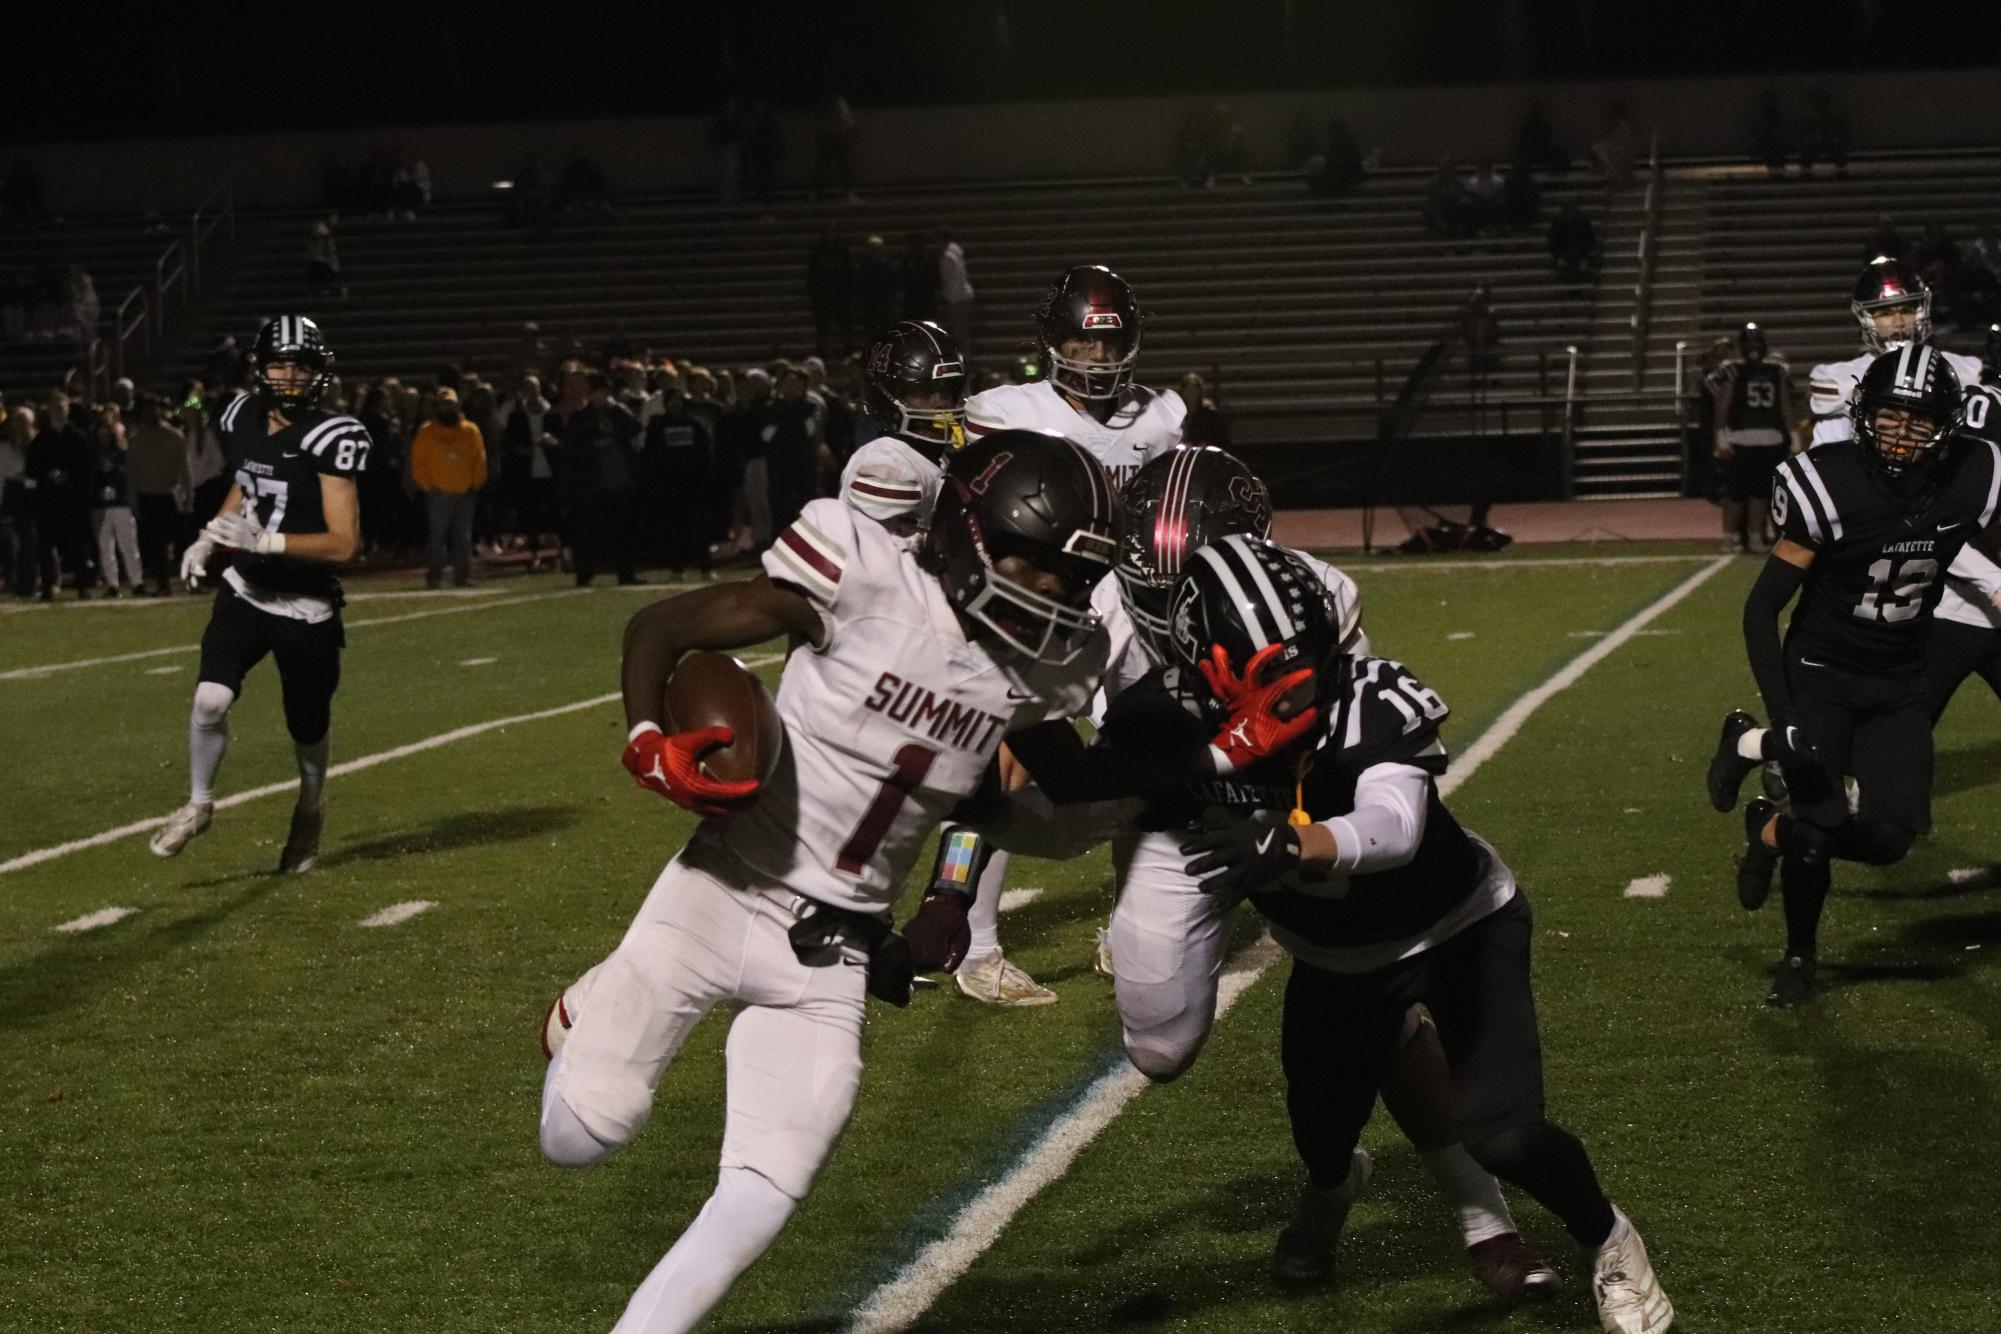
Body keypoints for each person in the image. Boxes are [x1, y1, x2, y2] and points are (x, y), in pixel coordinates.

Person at [536, 433, 1124, 1334]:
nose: (1052, 594)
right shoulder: (865, 578)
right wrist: (647, 739)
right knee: (582, 1134)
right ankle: (583, 1009)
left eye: (1071, 579)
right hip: (720, 891)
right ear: (966, 534)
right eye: (1036, 565)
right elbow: (661, 629)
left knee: (766, 1188)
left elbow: (1013, 799)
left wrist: (947, 898)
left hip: (832, 950)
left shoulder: (1038, 668)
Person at [1030, 535, 1672, 1330]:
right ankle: (1332, 1191)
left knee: (1503, 1133)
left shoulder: (1370, 694)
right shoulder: (1161, 718)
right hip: (1334, 960)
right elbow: (1076, 796)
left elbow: (1395, 826)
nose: (1296, 682)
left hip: (1457, 927)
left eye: (1303, 652)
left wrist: (1289, 843)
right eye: (1265, 665)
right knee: (1321, 1135)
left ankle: (1610, 1240)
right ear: (1205, 663)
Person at [993, 447, 1559, 1302]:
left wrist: (1299, 835)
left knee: (1373, 965)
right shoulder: (1093, 605)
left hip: (1268, 796)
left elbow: (1333, 726)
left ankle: (1483, 1218)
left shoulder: (1310, 592)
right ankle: (1352, 1148)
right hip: (1157, 807)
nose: (1170, 611)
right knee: (1159, 1048)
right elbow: (1006, 766)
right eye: (1152, 589)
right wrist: (955, 881)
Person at [1707, 345, 2001, 1006]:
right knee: (1820, 825)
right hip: (1823, 670)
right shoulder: (1826, 480)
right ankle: (1800, 956)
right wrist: (1782, 714)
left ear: (1947, 424)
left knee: (1888, 839)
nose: (1899, 434)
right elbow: (1761, 609)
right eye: (1887, 417)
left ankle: (1765, 830)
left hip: (1901, 677)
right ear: (1862, 414)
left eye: (1917, 421)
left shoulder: (1976, 470)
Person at [942, 264, 1188, 1001]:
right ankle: (971, 943)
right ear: (1052, 343)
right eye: (1081, 347)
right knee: (1000, 764)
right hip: (1038, 601)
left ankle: (1128, 928)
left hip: (1133, 603)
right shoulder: (999, 410)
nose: (1097, 363)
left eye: (1108, 348)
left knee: (1143, 756)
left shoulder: (1159, 417)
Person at [151, 316, 371, 873]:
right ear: (260, 366)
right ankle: (199, 804)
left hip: (305, 605)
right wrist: (209, 535)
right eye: (280, 363)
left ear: (320, 370)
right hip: (246, 589)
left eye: (302, 365)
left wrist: (268, 539)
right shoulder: (236, 413)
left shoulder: (331, 435)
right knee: (210, 699)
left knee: (307, 725)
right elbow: (246, 481)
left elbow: (345, 544)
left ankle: (311, 803)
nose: (290, 375)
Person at [1808, 258, 1983, 447]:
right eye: (1884, 312)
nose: (1899, 321)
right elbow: (1827, 453)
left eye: (1907, 309)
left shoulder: (1963, 369)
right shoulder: (1841, 379)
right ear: (1865, 319)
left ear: (1921, 312)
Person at [837, 319, 967, 540]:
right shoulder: (887, 464)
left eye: (947, 390)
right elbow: (885, 559)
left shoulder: (933, 457)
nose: (941, 401)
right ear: (886, 396)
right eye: (925, 391)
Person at [1711, 323, 1799, 553]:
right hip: (1741, 438)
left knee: (1759, 493)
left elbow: (1785, 406)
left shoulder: (1775, 370)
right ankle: (1731, 536)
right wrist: (1721, 436)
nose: (1752, 349)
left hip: (1768, 438)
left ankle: (1753, 535)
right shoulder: (1734, 370)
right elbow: (1724, 405)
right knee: (1737, 493)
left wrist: (1794, 436)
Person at [560, 372, 644, 587]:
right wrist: (594, 445)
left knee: (623, 530)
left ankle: (626, 573)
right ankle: (585, 573)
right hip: (594, 482)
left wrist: (616, 408)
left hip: (621, 479)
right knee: (590, 531)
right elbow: (573, 447)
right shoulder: (581, 417)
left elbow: (635, 427)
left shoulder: (618, 412)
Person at [410, 386, 487, 588]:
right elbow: (418, 462)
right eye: (443, 404)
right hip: (438, 493)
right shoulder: (426, 431)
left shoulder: (471, 430)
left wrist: (475, 483)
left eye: (450, 404)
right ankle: (435, 575)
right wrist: (427, 486)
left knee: (463, 536)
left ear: (457, 405)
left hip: (465, 491)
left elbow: (479, 459)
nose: (447, 408)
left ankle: (463, 575)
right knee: (437, 536)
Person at [641, 380, 714, 579]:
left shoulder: (694, 425)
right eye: (672, 400)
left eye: (679, 400)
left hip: (693, 484)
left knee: (698, 527)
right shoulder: (657, 426)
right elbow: (650, 456)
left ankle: (706, 567)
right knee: (673, 529)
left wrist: (704, 480)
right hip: (669, 485)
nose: (676, 404)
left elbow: (704, 454)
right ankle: (677, 568)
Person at [26, 391, 95, 600]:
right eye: (54, 407)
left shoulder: (77, 437)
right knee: (46, 546)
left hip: (72, 501)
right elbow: (32, 472)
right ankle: (47, 588)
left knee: (77, 545)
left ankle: (83, 585)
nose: (58, 410)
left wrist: (70, 480)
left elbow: (86, 470)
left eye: (61, 406)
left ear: (67, 409)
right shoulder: (40, 440)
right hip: (48, 502)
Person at [127, 394, 190, 595]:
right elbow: (132, 472)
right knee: (155, 544)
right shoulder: (137, 440)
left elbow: (184, 470)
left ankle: (185, 580)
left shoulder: (173, 436)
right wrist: (133, 499)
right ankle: (163, 583)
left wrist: (188, 496)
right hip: (148, 495)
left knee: (176, 541)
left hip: (167, 494)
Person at [89, 403, 141, 597]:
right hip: (100, 505)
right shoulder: (93, 454)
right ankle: (112, 583)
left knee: (128, 544)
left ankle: (137, 581)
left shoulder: (122, 453)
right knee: (105, 547)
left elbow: (128, 476)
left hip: (120, 503)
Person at [937, 226, 975, 360]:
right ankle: (964, 357)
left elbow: (950, 279)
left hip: (956, 297)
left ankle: (963, 358)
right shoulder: (957, 252)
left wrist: (947, 297)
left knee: (959, 331)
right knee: (961, 331)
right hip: (963, 295)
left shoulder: (948, 256)